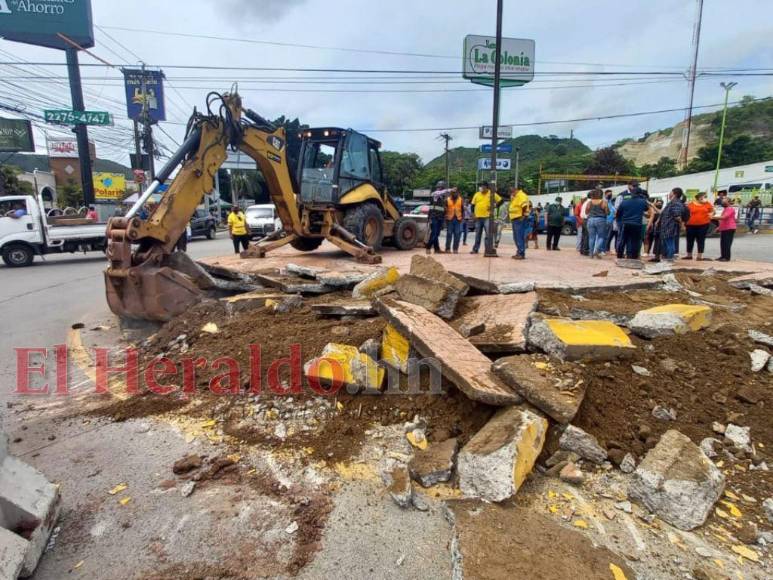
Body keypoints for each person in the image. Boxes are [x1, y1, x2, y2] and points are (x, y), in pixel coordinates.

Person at [615, 187, 649, 260]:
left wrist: (620, 221)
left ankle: (619, 255)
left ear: (631, 193)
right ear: (640, 194)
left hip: (625, 223)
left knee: (623, 240)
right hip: (637, 224)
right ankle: (633, 257)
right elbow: (646, 209)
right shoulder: (643, 202)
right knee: (635, 241)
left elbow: (618, 213)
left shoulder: (624, 202)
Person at [470, 181, 502, 254]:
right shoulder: (477, 194)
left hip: (487, 217)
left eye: (482, 186)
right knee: (478, 234)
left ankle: (487, 249)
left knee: (488, 234)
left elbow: (501, 201)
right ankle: (475, 249)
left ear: (486, 187)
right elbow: (472, 205)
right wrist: (473, 214)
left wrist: (495, 206)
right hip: (478, 217)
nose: (481, 188)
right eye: (480, 186)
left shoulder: (491, 194)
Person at [659, 188, 689, 262]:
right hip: (667, 225)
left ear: (674, 194)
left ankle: (669, 258)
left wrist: (682, 225)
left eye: (671, 192)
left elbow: (677, 216)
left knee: (670, 242)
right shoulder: (672, 202)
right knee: (668, 242)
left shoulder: (676, 203)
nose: (669, 194)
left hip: (670, 226)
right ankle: (667, 257)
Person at [684, 192, 713, 261]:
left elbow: (712, 211)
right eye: (703, 197)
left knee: (701, 240)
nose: (704, 198)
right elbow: (686, 213)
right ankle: (689, 255)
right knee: (690, 240)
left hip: (703, 225)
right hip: (690, 225)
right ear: (699, 197)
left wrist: (711, 214)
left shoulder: (707, 204)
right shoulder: (690, 204)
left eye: (705, 197)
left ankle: (699, 256)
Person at [585, 189, 610, 258]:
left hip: (590, 220)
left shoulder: (589, 202)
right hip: (601, 220)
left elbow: (586, 212)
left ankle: (590, 254)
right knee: (601, 237)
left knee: (591, 237)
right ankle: (597, 250)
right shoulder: (603, 202)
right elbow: (607, 212)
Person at [508, 187, 530, 259]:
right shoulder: (516, 196)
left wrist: (523, 216)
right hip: (515, 218)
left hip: (519, 218)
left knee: (519, 237)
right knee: (516, 237)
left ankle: (521, 253)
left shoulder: (521, 195)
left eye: (511, 193)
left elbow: (524, 206)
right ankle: (519, 252)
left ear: (514, 191)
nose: (511, 194)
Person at [426, 182, 447, 254]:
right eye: (439, 188)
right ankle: (428, 247)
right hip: (434, 217)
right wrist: (450, 190)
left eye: (441, 188)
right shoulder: (435, 194)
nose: (440, 189)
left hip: (440, 217)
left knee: (437, 234)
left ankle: (437, 249)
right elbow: (441, 192)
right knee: (434, 233)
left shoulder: (442, 198)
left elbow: (442, 209)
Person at [717, 197, 737, 261]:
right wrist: (719, 228)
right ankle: (723, 256)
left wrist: (712, 217)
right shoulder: (725, 209)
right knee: (723, 243)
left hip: (729, 228)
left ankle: (726, 257)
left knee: (727, 243)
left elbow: (724, 217)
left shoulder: (730, 209)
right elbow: (723, 220)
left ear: (728, 202)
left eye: (724, 202)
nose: (722, 203)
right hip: (724, 228)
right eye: (722, 202)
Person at [444, 188, 463, 254]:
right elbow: (445, 209)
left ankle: (455, 249)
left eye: (456, 192)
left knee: (457, 234)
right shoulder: (447, 200)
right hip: (449, 219)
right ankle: (447, 249)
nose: (454, 194)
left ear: (458, 193)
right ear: (451, 193)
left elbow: (462, 209)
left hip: (458, 219)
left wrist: (462, 218)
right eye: (453, 192)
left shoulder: (460, 199)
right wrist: (445, 218)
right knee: (449, 234)